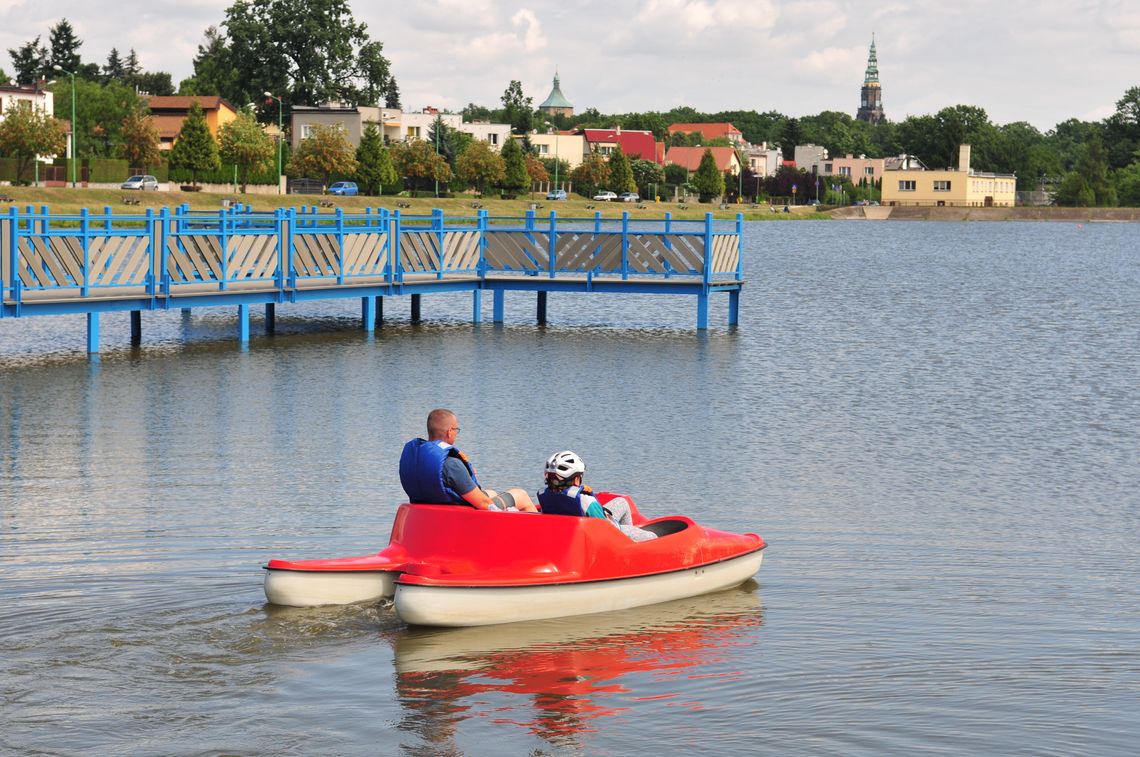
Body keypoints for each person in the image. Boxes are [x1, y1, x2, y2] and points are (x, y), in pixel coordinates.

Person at [399, 408, 537, 512]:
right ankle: (538, 539)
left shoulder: (417, 458)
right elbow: (484, 504)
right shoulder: (451, 465)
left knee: (492, 492)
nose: (456, 433)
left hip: (431, 511)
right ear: (449, 431)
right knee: (521, 495)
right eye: (456, 429)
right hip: (461, 513)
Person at [536, 451, 656, 541]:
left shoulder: (545, 496)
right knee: (652, 536)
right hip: (610, 533)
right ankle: (629, 546)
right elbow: (606, 528)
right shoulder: (586, 501)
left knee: (622, 502)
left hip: (573, 533)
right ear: (577, 479)